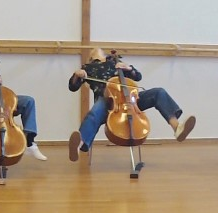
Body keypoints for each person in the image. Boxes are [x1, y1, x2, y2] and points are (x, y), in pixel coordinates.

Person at [66, 48, 196, 160]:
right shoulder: (88, 68)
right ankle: (79, 145)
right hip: (107, 102)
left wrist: (128, 68)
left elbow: (138, 76)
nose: (96, 49)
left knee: (159, 92)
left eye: (99, 50)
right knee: (94, 113)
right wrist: (77, 75)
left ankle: (177, 128)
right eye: (93, 51)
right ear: (91, 57)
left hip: (130, 99)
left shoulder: (115, 62)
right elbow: (73, 87)